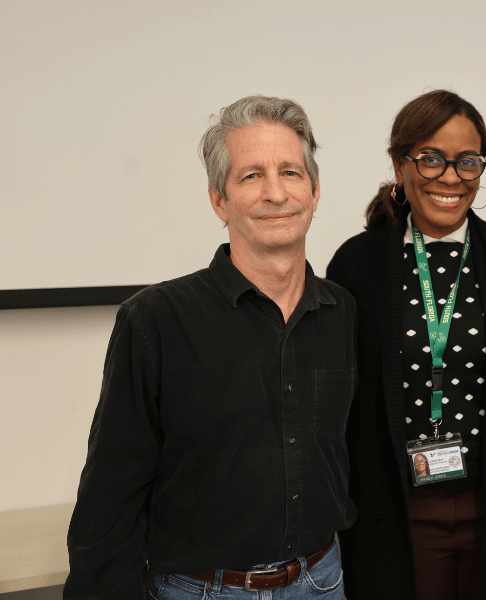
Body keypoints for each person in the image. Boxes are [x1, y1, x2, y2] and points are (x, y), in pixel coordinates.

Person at [64, 95, 358, 600]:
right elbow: (110, 494)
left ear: (313, 192)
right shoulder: (155, 320)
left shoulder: (342, 312)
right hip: (200, 590)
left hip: (322, 581)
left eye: (290, 172)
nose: (275, 193)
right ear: (218, 200)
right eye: (250, 176)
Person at [326, 90, 486, 600]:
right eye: (431, 159)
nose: (450, 177)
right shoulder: (357, 266)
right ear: (400, 164)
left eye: (467, 161)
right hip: (396, 518)